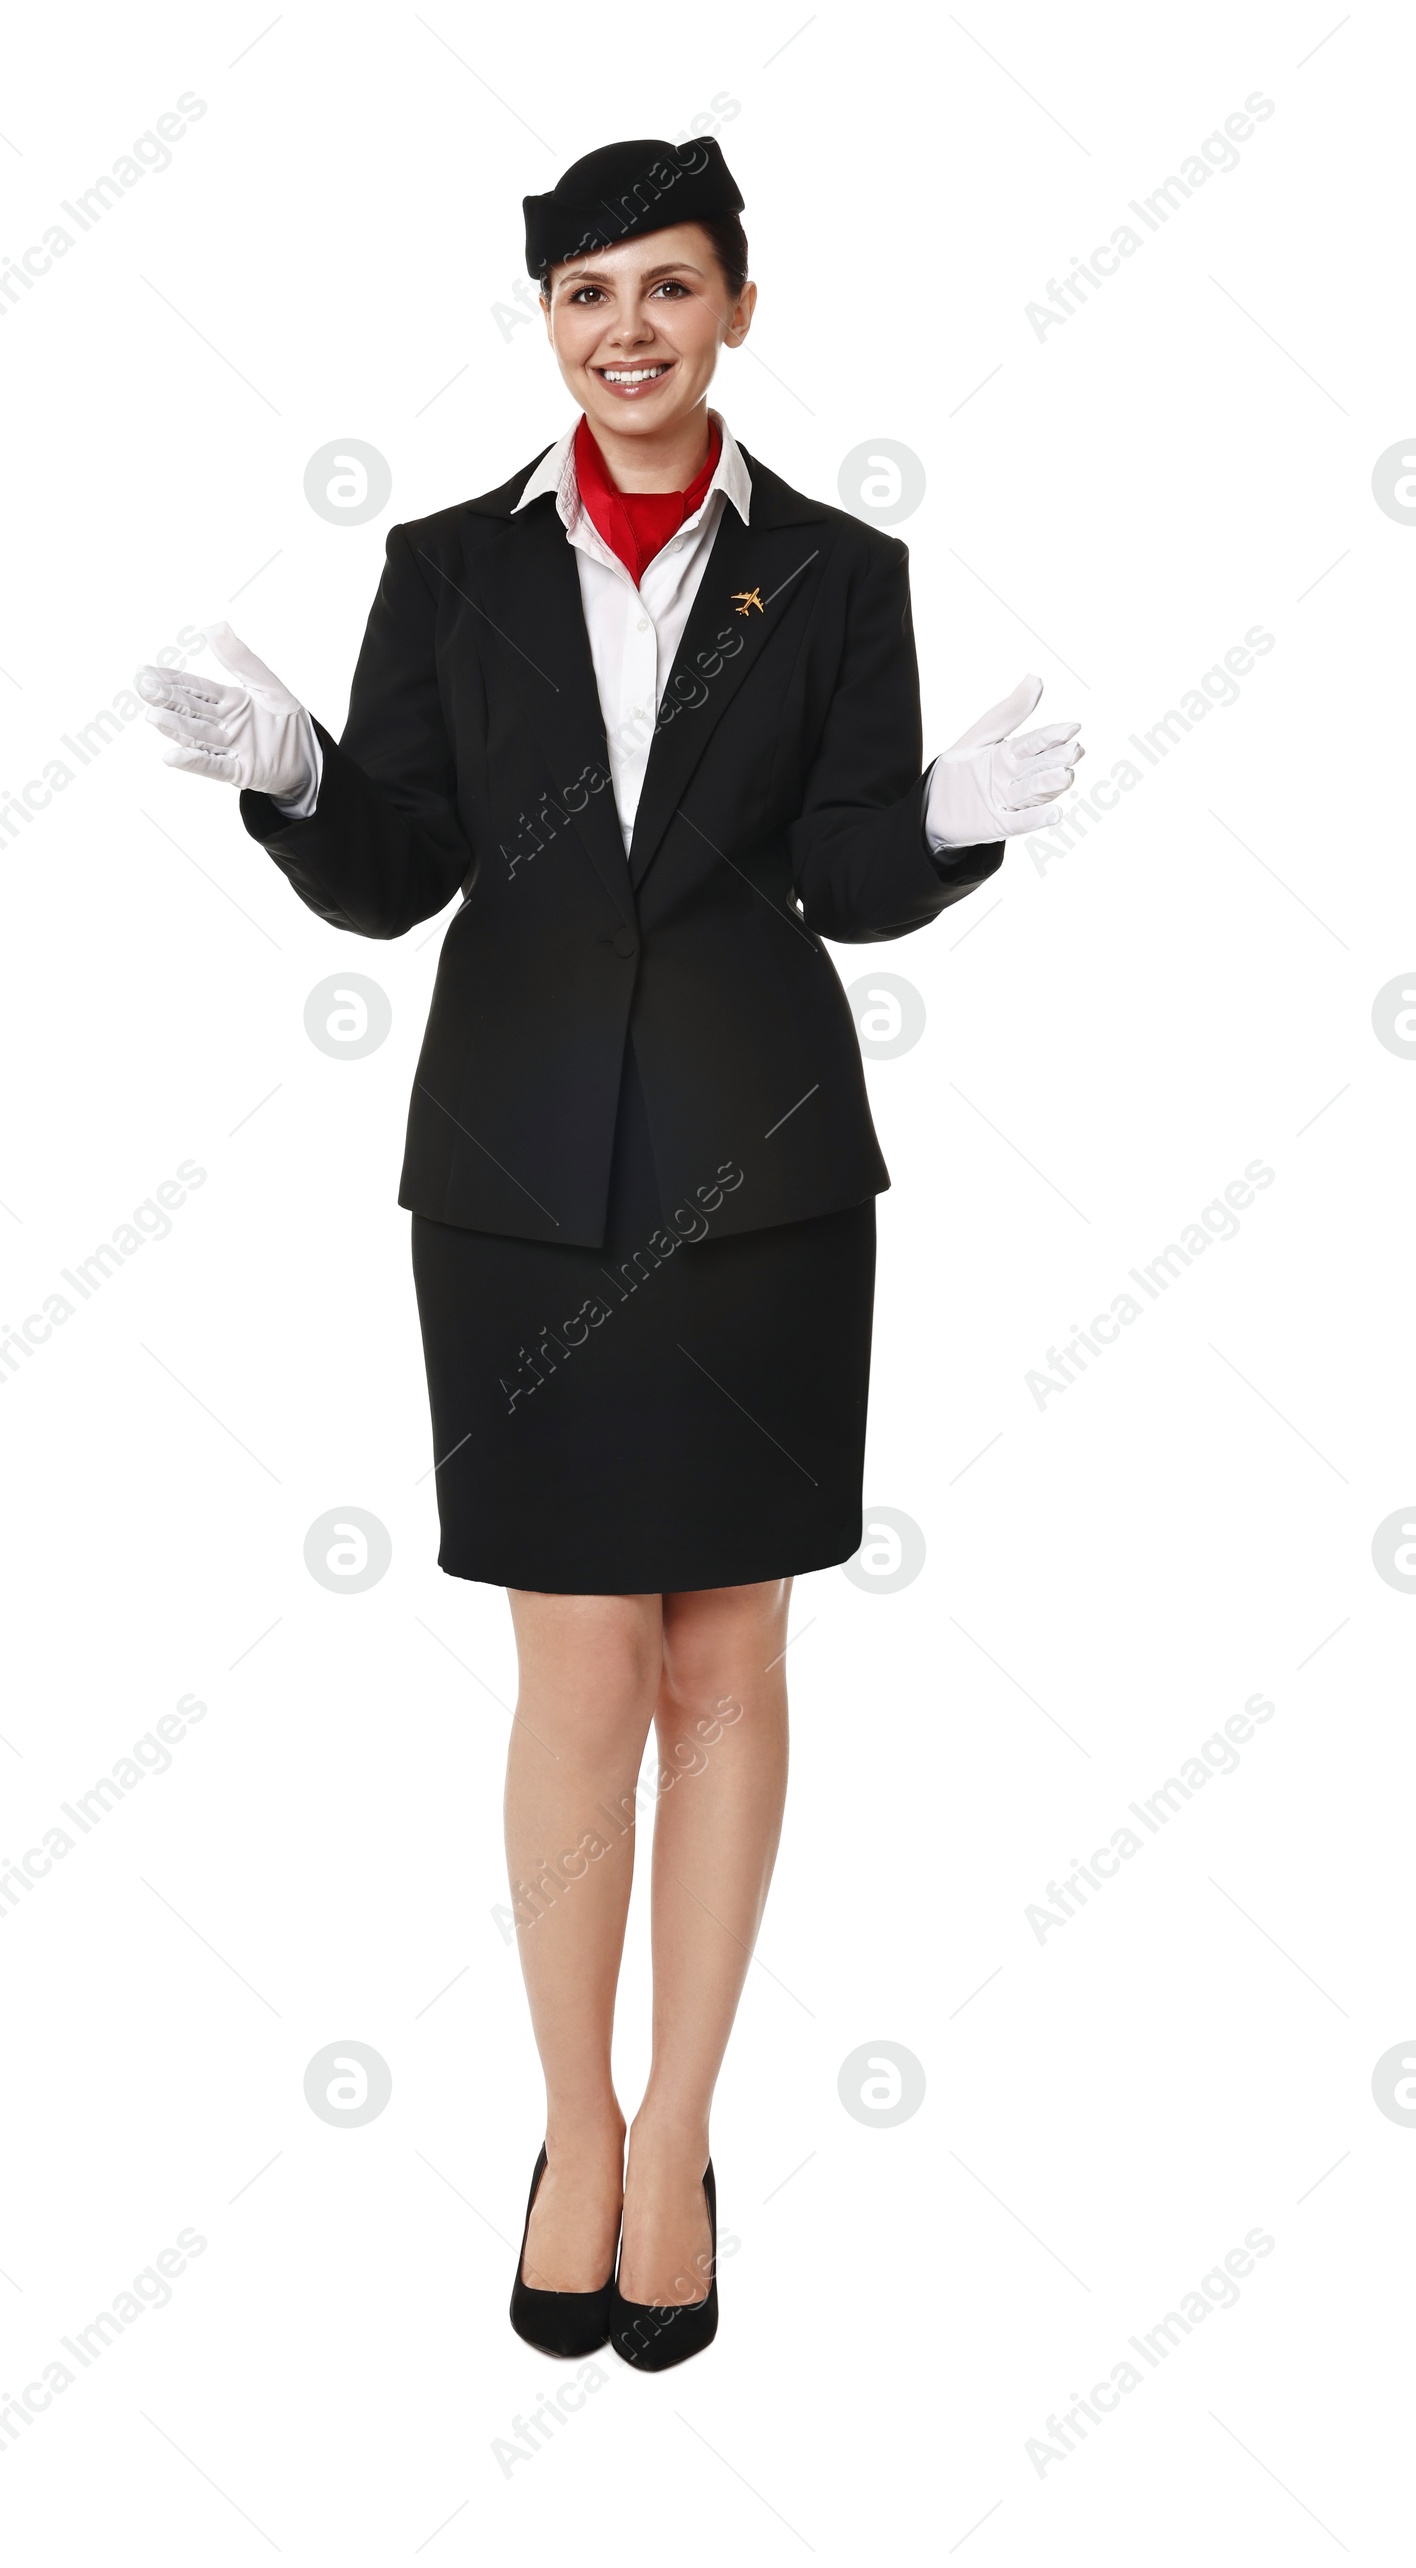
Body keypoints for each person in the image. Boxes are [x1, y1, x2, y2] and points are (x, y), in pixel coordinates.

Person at [135, 135, 1081, 2371]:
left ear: (737, 308)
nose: (628, 329)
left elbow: (843, 872)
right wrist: (288, 774)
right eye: (586, 295)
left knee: (723, 1660)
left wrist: (939, 827)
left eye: (669, 287)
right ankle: (573, 2132)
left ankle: (682, 2139)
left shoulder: (834, 570)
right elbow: (390, 873)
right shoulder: (448, 568)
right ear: (545, 324)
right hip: (518, 1178)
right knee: (575, 1671)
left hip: (759, 1179)